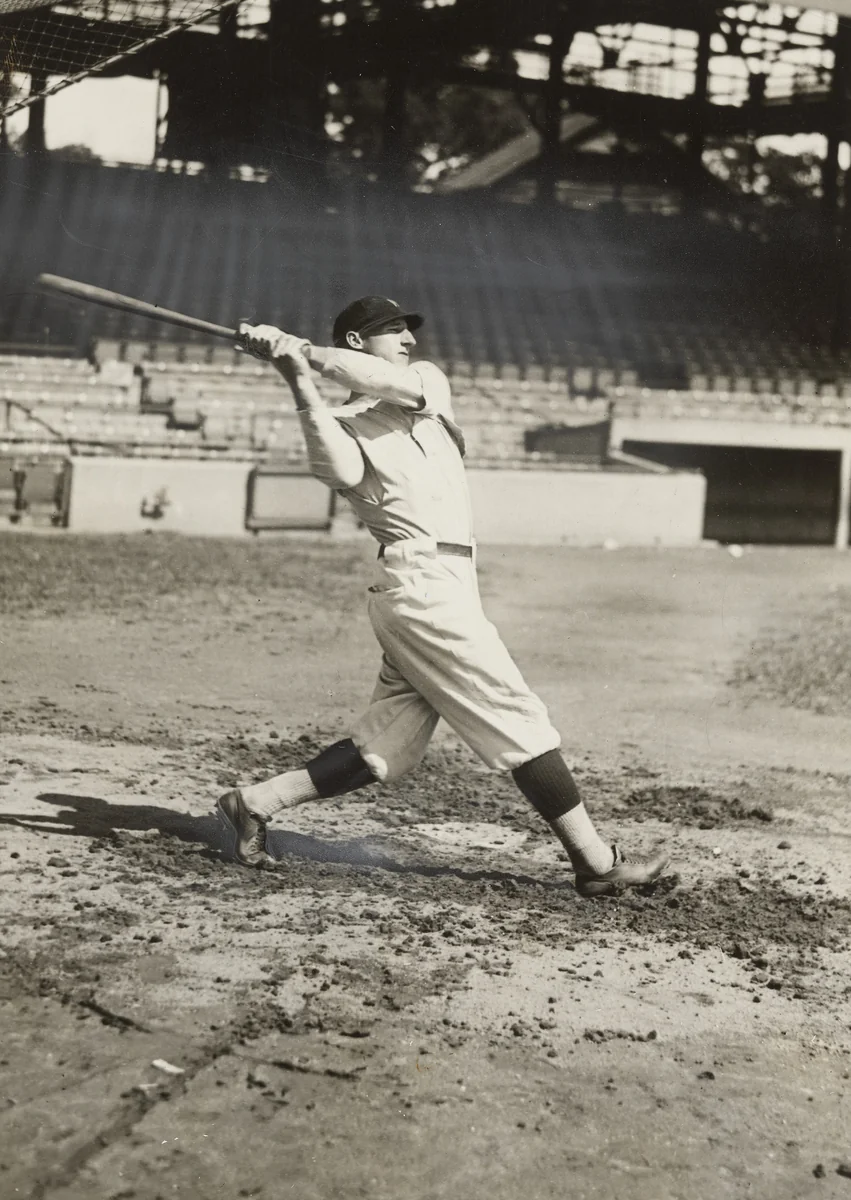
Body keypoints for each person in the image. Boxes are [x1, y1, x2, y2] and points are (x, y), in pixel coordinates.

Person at [217, 296, 669, 898]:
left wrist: (304, 351)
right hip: (417, 584)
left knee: (388, 748)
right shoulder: (343, 423)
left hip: (452, 582)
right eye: (391, 330)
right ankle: (595, 861)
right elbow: (337, 472)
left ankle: (254, 803)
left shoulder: (425, 385)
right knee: (517, 715)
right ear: (356, 341)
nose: (408, 339)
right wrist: (296, 375)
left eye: (408, 330)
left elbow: (386, 381)